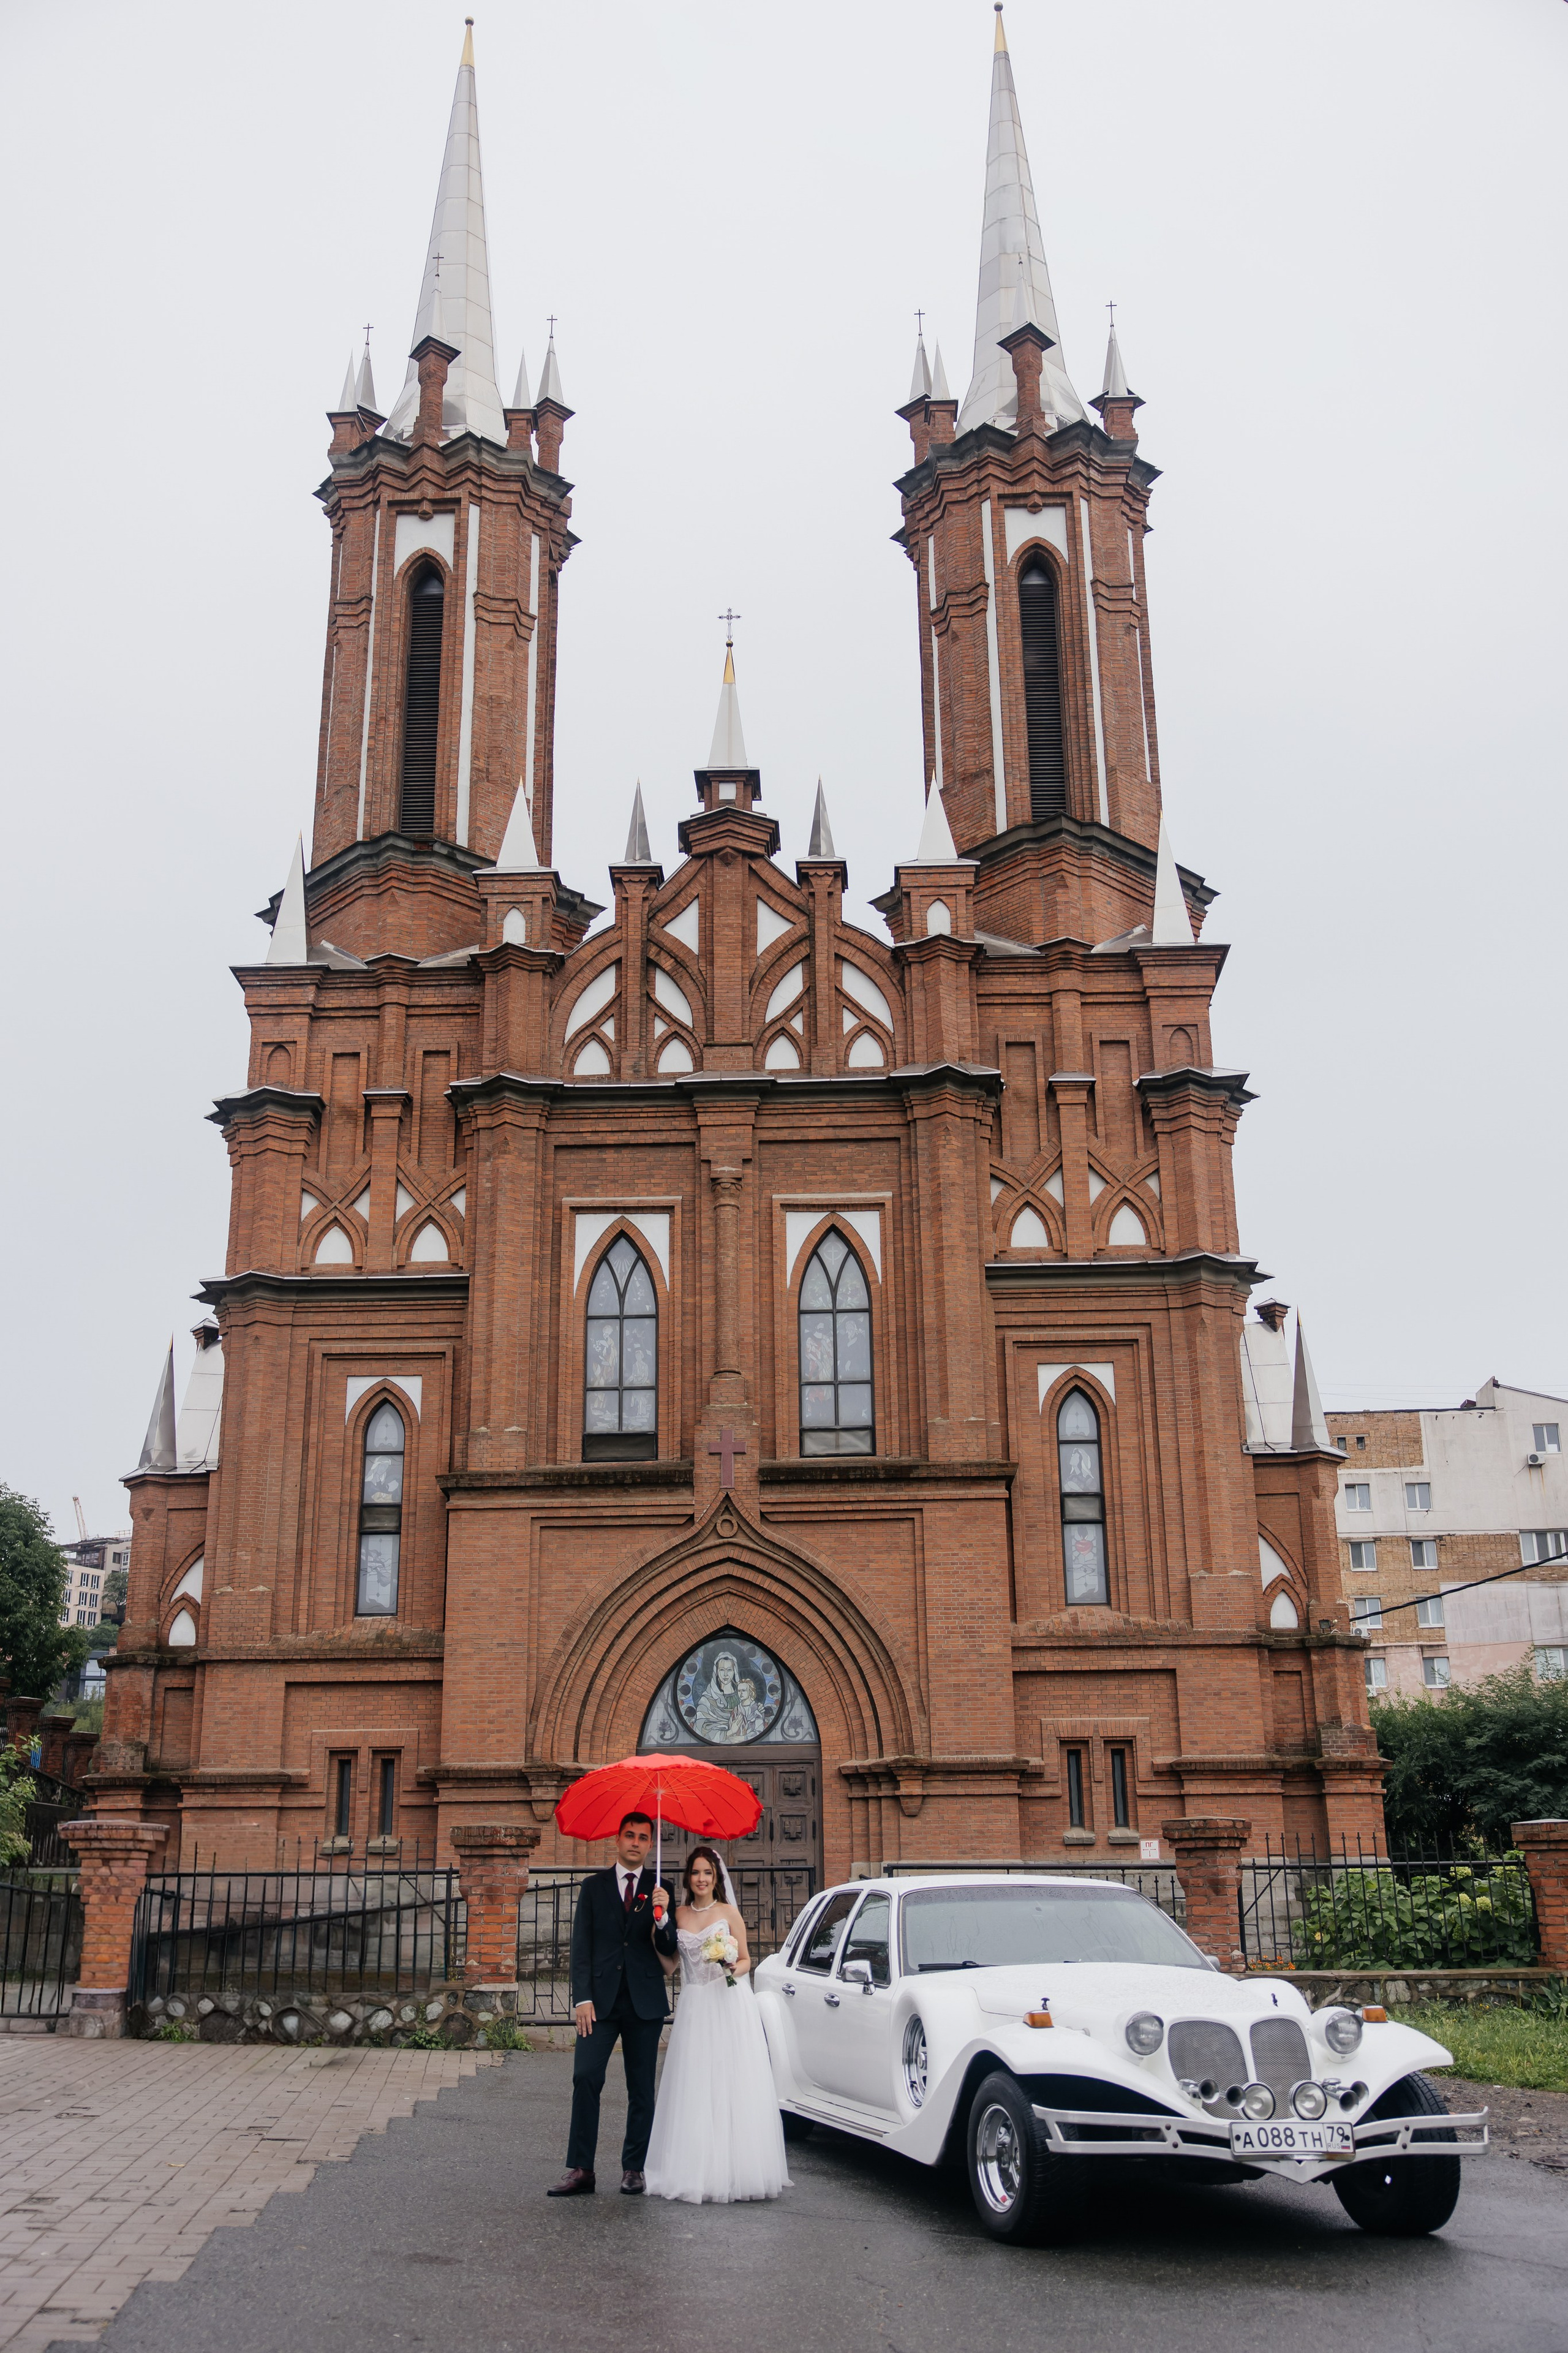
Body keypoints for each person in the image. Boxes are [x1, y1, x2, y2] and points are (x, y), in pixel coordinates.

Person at [642, 1845, 790, 2204]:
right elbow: (671, 1965)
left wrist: (729, 1967)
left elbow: (745, 1961)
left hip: (727, 2001)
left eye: (708, 1873)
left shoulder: (728, 1913)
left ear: (716, 1877)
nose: (702, 1879)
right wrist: (657, 1928)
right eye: (696, 1873)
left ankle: (736, 2168)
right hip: (695, 2006)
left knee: (730, 2081)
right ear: (688, 1879)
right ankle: (695, 2169)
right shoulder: (677, 1914)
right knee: (695, 2085)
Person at [548, 1810, 677, 2197]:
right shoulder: (594, 1887)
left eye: (643, 1837)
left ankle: (634, 2168)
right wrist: (582, 1998)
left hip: (645, 2002)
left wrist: (663, 1915)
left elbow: (670, 1950)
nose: (636, 1842)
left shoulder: (662, 1888)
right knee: (586, 2077)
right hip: (599, 2004)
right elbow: (581, 1948)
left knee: (641, 2088)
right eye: (629, 1835)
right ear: (617, 1840)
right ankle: (581, 2169)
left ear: (650, 1844)